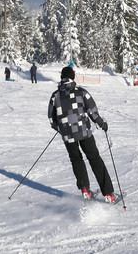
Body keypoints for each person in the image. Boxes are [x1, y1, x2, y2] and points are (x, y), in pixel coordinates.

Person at [48, 66, 116, 202]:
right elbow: (92, 111)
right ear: (72, 77)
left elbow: (51, 118)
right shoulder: (81, 92)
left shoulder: (55, 96)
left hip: (68, 136)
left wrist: (61, 129)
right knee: (95, 159)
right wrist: (102, 124)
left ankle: (85, 189)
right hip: (84, 132)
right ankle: (108, 194)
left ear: (62, 78)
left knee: (76, 160)